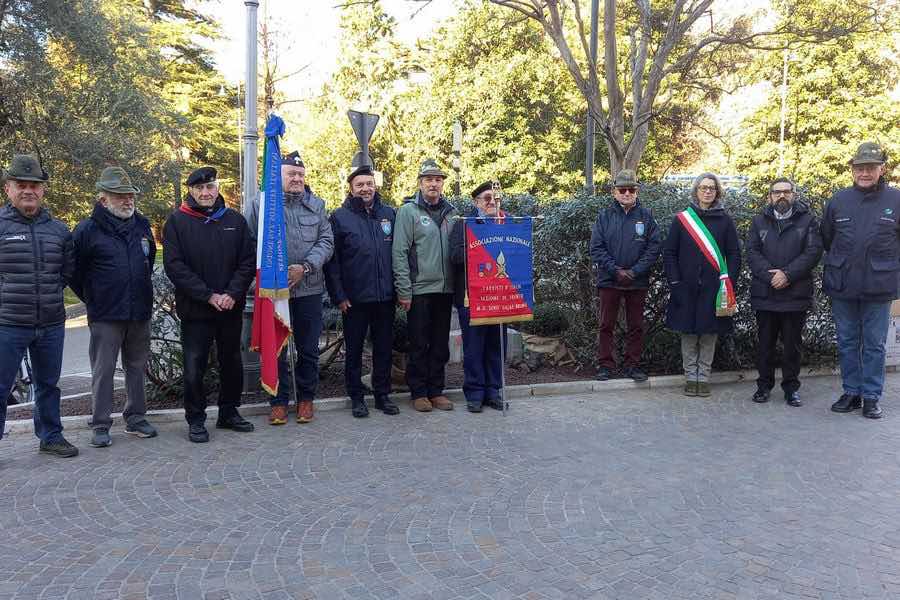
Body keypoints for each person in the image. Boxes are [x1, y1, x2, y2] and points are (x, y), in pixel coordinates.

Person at [163, 166, 256, 442]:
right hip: (197, 310)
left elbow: (247, 262)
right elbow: (175, 266)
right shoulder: (177, 222)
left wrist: (231, 293)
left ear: (217, 189)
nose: (206, 192)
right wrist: (208, 295)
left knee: (232, 362)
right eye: (199, 188)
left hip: (229, 307)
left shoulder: (235, 221)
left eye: (210, 187)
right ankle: (196, 419)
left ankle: (229, 412)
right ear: (191, 190)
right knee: (194, 367)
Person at [70, 167, 158, 447]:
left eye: (130, 195)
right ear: (103, 199)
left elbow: (149, 260)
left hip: (139, 311)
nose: (127, 200)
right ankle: (100, 424)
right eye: (119, 196)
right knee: (103, 369)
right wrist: (93, 297)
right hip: (106, 314)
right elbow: (74, 272)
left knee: (136, 366)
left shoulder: (142, 226)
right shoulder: (87, 230)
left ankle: (136, 418)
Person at [245, 151, 333, 425]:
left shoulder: (316, 205)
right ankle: (279, 401)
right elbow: (249, 245)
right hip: (275, 292)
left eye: (300, 175)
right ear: (277, 176)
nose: (297, 178)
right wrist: (258, 281)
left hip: (309, 289)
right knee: (276, 349)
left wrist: (305, 267)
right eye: (291, 174)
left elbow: (326, 241)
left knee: (308, 349)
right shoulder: (261, 205)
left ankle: (306, 399)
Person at [0, 154, 77, 457]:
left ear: (43, 190)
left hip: (51, 323)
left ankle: (51, 436)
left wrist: (46, 294)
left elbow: (67, 271)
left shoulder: (59, 230)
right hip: (8, 324)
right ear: (8, 188)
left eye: (35, 185)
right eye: (22, 185)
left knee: (48, 384)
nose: (29, 190)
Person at [823, 142, 900, 419]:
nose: (865, 173)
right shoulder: (839, 200)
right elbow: (827, 238)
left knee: (875, 343)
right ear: (853, 170)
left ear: (882, 169)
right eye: (860, 168)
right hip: (843, 283)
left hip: (879, 286)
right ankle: (851, 392)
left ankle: (870, 396)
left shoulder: (896, 200)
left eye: (870, 167)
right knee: (846, 341)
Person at [324, 161, 399, 418]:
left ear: (375, 185)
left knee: (383, 349)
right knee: (354, 351)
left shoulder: (389, 214)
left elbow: (399, 256)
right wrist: (339, 296)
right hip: (354, 300)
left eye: (369, 183)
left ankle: (382, 395)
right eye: (360, 185)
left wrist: (400, 291)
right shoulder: (339, 217)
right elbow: (332, 262)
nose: (365, 188)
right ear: (351, 188)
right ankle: (356, 397)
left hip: (385, 297)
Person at [746, 178, 823, 407]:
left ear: (794, 194)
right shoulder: (759, 221)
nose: (781, 196)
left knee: (792, 346)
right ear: (769, 196)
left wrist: (787, 274)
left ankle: (791, 388)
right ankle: (763, 386)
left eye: (786, 192)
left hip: (795, 294)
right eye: (777, 192)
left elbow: (812, 252)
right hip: (766, 293)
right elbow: (752, 252)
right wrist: (771, 276)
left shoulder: (808, 220)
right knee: (765, 345)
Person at [663, 172, 741, 397]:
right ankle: (690, 377)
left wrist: (729, 282)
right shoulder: (681, 219)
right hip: (685, 286)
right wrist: (675, 282)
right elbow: (670, 253)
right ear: (696, 191)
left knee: (709, 334)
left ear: (717, 192)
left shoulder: (725, 220)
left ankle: (703, 378)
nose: (707, 191)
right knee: (688, 334)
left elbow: (734, 254)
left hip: (714, 288)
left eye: (712, 188)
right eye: (703, 187)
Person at [392, 159, 458, 412]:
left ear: (442, 184)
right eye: (429, 179)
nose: (434, 184)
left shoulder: (451, 212)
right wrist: (404, 289)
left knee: (440, 344)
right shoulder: (408, 212)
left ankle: (436, 390)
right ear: (420, 183)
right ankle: (418, 392)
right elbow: (399, 253)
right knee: (419, 344)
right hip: (419, 290)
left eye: (438, 179)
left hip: (445, 290)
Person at [589, 169, 661, 382]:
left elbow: (654, 247)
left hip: (637, 281)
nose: (627, 193)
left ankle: (633, 365)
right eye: (622, 189)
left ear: (636, 191)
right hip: (609, 280)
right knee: (606, 325)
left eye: (631, 189)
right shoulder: (604, 216)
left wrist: (634, 271)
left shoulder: (646, 216)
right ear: (614, 192)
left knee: (636, 326)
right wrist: (616, 270)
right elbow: (596, 248)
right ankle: (605, 365)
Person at [450, 182, 507, 412]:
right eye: (486, 198)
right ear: (476, 202)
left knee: (496, 345)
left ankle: (493, 391)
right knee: (474, 347)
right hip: (471, 297)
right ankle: (474, 393)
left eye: (495, 198)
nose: (491, 202)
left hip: (499, 296)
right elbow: (455, 255)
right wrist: (483, 247)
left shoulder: (508, 223)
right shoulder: (464, 225)